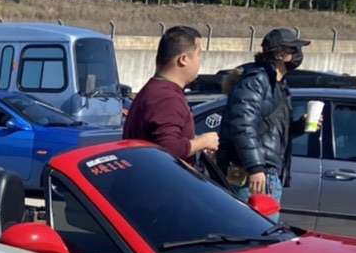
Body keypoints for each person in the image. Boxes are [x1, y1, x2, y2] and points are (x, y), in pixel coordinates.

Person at [216, 28, 311, 203]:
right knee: (252, 221)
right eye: (293, 49)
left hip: (269, 174)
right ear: (280, 55)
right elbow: (242, 126)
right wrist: (255, 167)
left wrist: (300, 126)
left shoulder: (279, 84)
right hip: (252, 177)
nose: (298, 54)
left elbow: (273, 131)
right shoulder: (256, 80)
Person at [123, 25, 217, 165]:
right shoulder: (167, 98)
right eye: (199, 54)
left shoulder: (155, 89)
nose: (200, 61)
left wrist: (193, 143)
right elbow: (168, 150)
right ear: (183, 59)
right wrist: (203, 142)